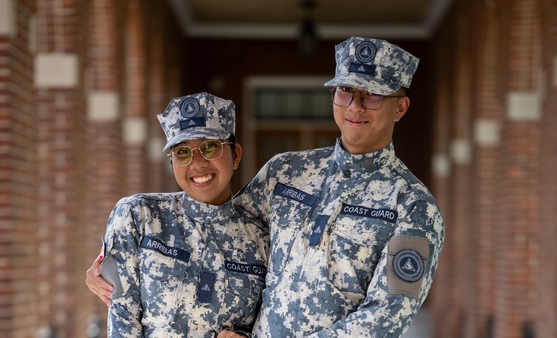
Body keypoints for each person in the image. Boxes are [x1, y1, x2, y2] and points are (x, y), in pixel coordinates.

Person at [88, 36, 445, 337]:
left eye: (373, 96)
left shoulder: (413, 206)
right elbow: (219, 222)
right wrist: (120, 255)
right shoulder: (286, 171)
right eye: (345, 92)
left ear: (401, 108)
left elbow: (386, 318)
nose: (355, 106)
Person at [94, 92, 268, 338]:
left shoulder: (262, 238)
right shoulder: (139, 216)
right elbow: (122, 319)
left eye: (210, 147)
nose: (197, 163)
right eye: (182, 152)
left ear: (236, 155)